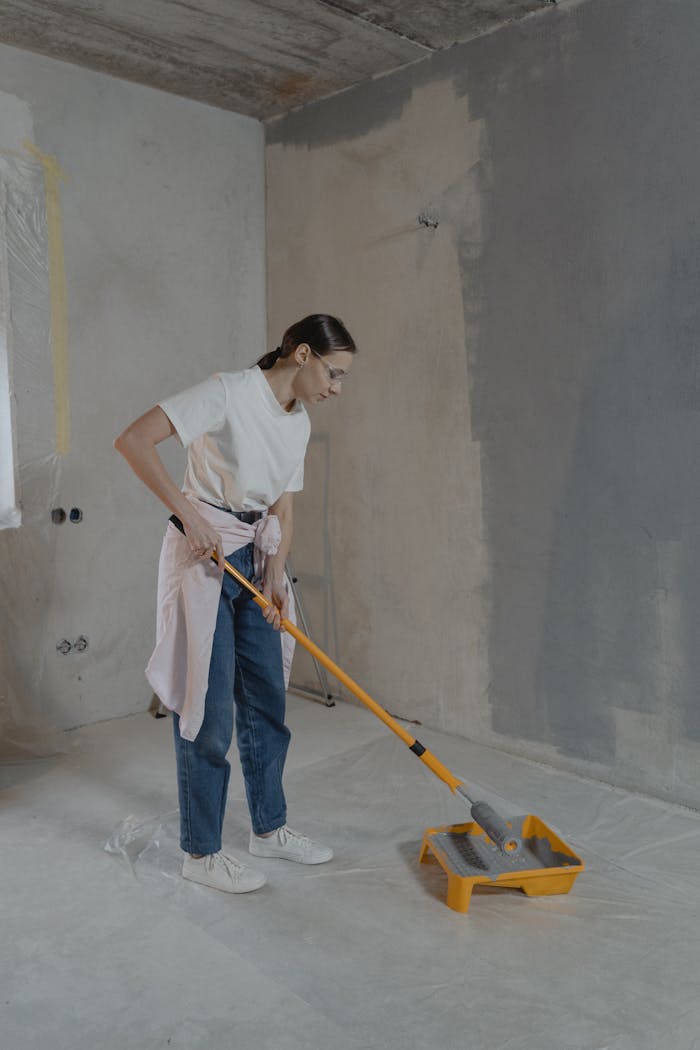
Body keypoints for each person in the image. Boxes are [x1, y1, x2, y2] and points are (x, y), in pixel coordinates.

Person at [114, 314, 357, 893]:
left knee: (267, 702)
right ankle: (200, 853)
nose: (336, 389)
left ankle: (269, 830)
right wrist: (191, 514)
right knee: (208, 710)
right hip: (203, 558)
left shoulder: (297, 422)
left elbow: (282, 506)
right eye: (334, 373)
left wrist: (276, 573)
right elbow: (134, 440)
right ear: (302, 354)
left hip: (254, 559)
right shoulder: (228, 392)